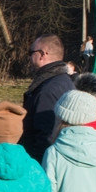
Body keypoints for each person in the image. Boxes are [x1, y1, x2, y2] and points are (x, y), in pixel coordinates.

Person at [22, 34, 76, 162]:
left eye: (31, 52)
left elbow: (45, 136)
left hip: (42, 163)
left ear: (42, 54)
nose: (29, 57)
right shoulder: (65, 81)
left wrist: (34, 167)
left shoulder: (48, 89)